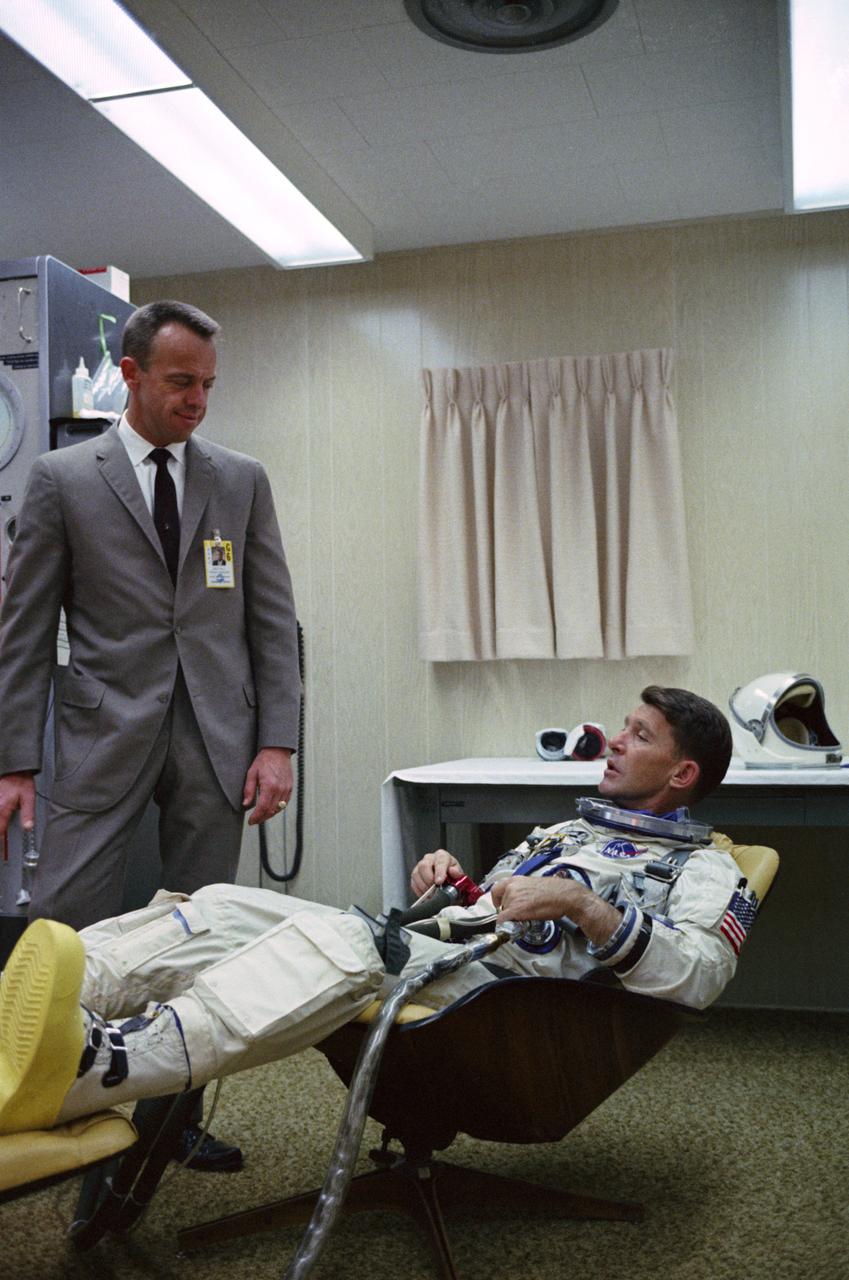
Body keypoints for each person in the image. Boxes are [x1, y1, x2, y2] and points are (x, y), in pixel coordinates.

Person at [0, 687, 752, 1139]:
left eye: (638, 736)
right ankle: (49, 1003)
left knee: (350, 943)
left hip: (516, 1009)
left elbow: (701, 974)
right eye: (624, 727)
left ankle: (102, 1063)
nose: (613, 742)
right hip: (448, 953)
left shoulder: (705, 865)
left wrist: (585, 905)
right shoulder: (564, 831)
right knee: (220, 902)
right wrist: (450, 881)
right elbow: (494, 904)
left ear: (681, 773)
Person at [0, 300, 301, 1167]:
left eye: (208, 384)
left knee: (201, 930)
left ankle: (174, 1121)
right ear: (129, 375)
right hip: (100, 732)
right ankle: (49, 1102)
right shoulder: (64, 478)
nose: (198, 399)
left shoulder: (239, 479)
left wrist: (276, 743)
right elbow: (24, 628)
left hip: (218, 736)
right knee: (65, 922)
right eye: (180, 382)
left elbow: (272, 622)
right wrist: (15, 760)